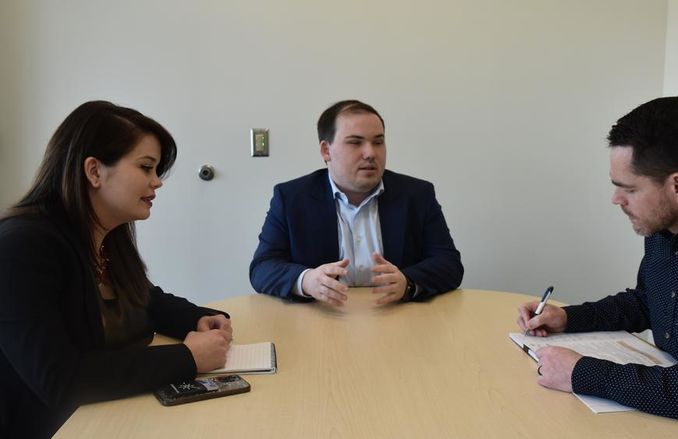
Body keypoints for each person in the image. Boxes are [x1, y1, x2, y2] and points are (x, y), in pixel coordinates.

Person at [518, 96, 678, 426]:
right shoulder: (667, 218)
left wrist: (582, 373)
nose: (616, 199)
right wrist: (568, 318)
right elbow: (647, 300)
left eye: (628, 188)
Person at [0, 101, 233, 437]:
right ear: (94, 171)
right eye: (146, 167)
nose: (157, 182)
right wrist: (187, 358)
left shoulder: (106, 234)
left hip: (114, 416)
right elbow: (60, 380)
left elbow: (144, 300)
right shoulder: (21, 247)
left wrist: (195, 318)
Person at [249, 99, 463, 306]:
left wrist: (407, 283)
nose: (370, 153)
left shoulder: (417, 195)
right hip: (321, 319)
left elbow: (449, 264)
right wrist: (307, 280)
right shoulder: (291, 198)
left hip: (396, 317)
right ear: (326, 150)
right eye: (355, 142)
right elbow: (262, 268)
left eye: (378, 142)